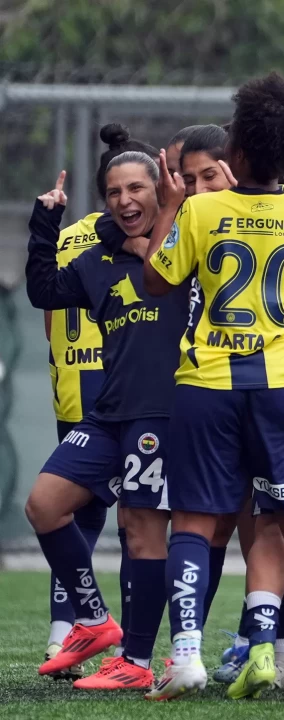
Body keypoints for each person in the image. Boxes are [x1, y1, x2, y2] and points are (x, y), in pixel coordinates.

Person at [141, 72, 284, 701]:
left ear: (235, 152)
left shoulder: (202, 210)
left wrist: (171, 207)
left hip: (208, 384)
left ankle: (186, 656)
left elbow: (157, 282)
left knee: (194, 520)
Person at [25, 148, 190, 691]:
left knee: (142, 531)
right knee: (44, 504)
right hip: (107, 411)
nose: (125, 200)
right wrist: (45, 222)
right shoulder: (97, 259)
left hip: (162, 412)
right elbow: (44, 291)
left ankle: (136, 663)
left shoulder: (185, 246)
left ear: (159, 190)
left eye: (136, 188)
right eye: (114, 192)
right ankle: (94, 619)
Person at [38, 124, 148, 681]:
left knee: (78, 515)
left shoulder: (71, 236)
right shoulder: (148, 237)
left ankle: (65, 630)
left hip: (74, 386)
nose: (125, 199)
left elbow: (48, 316)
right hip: (125, 387)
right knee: (136, 519)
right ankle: (130, 646)